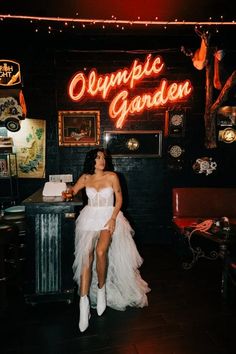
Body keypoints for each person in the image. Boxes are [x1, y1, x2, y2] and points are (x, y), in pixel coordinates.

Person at [65, 148, 150, 332]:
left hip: (109, 217)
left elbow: (119, 200)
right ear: (91, 161)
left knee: (101, 251)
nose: (101, 160)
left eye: (103, 158)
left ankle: (102, 289)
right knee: (85, 255)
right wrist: (67, 192)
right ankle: (84, 304)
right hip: (89, 217)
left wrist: (112, 219)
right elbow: (72, 191)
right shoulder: (85, 178)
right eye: (98, 158)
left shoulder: (112, 176)